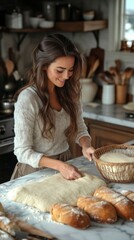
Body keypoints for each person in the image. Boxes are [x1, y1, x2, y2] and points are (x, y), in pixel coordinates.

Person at [11, 33, 95, 181]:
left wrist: (86, 146)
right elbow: (22, 151)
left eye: (71, 70)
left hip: (64, 162)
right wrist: (59, 166)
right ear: (44, 66)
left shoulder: (70, 94)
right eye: (60, 70)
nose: (66, 76)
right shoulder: (28, 98)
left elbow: (80, 129)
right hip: (34, 170)